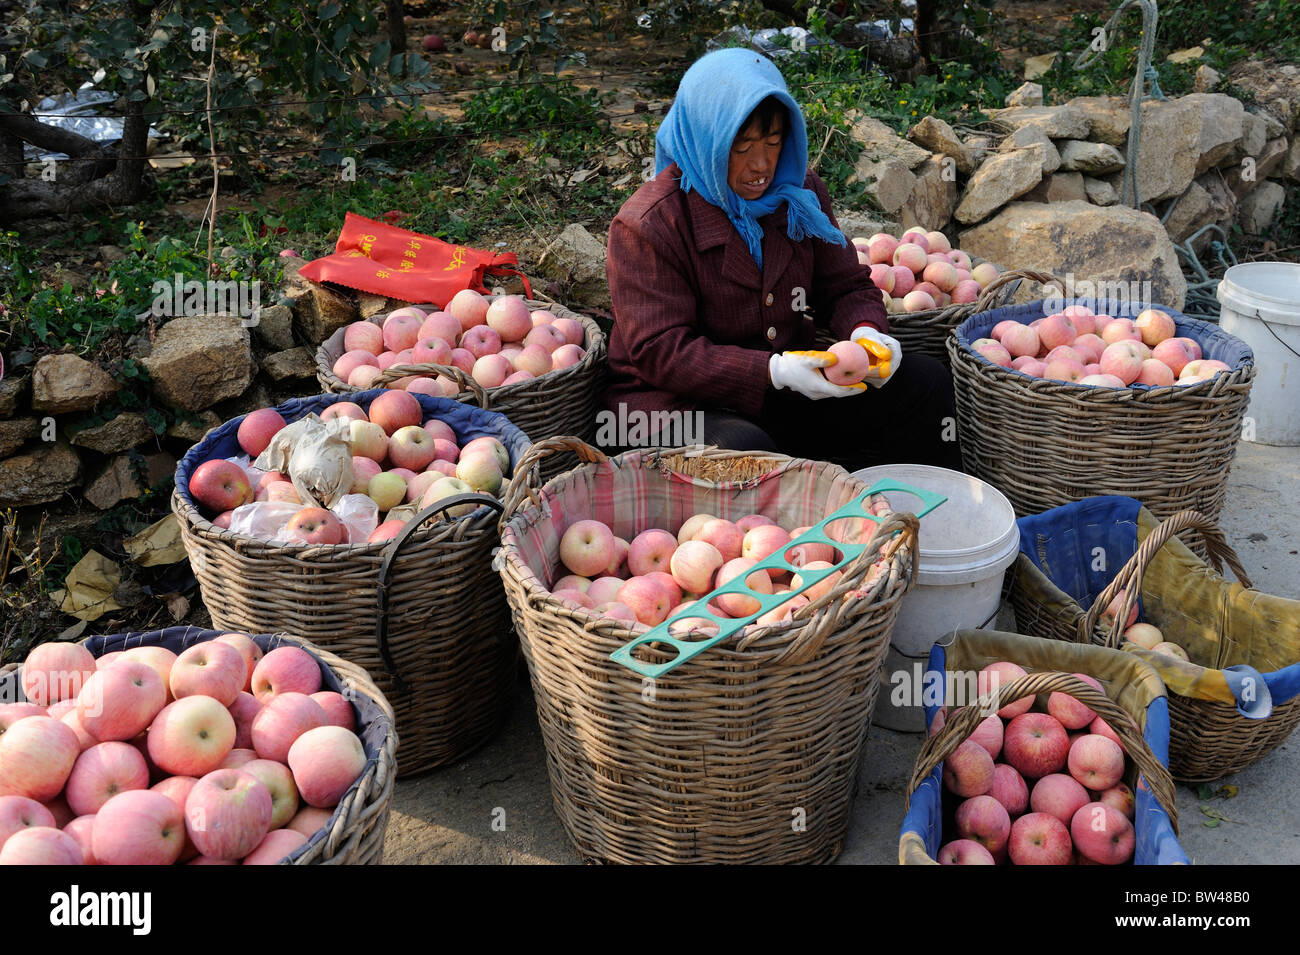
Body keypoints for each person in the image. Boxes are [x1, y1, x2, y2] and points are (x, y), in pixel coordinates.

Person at [602, 47, 962, 474]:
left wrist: (868, 333)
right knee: (744, 450)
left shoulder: (799, 195)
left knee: (924, 384)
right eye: (742, 147)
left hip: (779, 393)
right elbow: (661, 351)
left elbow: (846, 286)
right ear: (706, 140)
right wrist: (773, 371)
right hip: (674, 410)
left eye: (773, 143)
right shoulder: (649, 224)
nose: (761, 165)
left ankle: (907, 520)